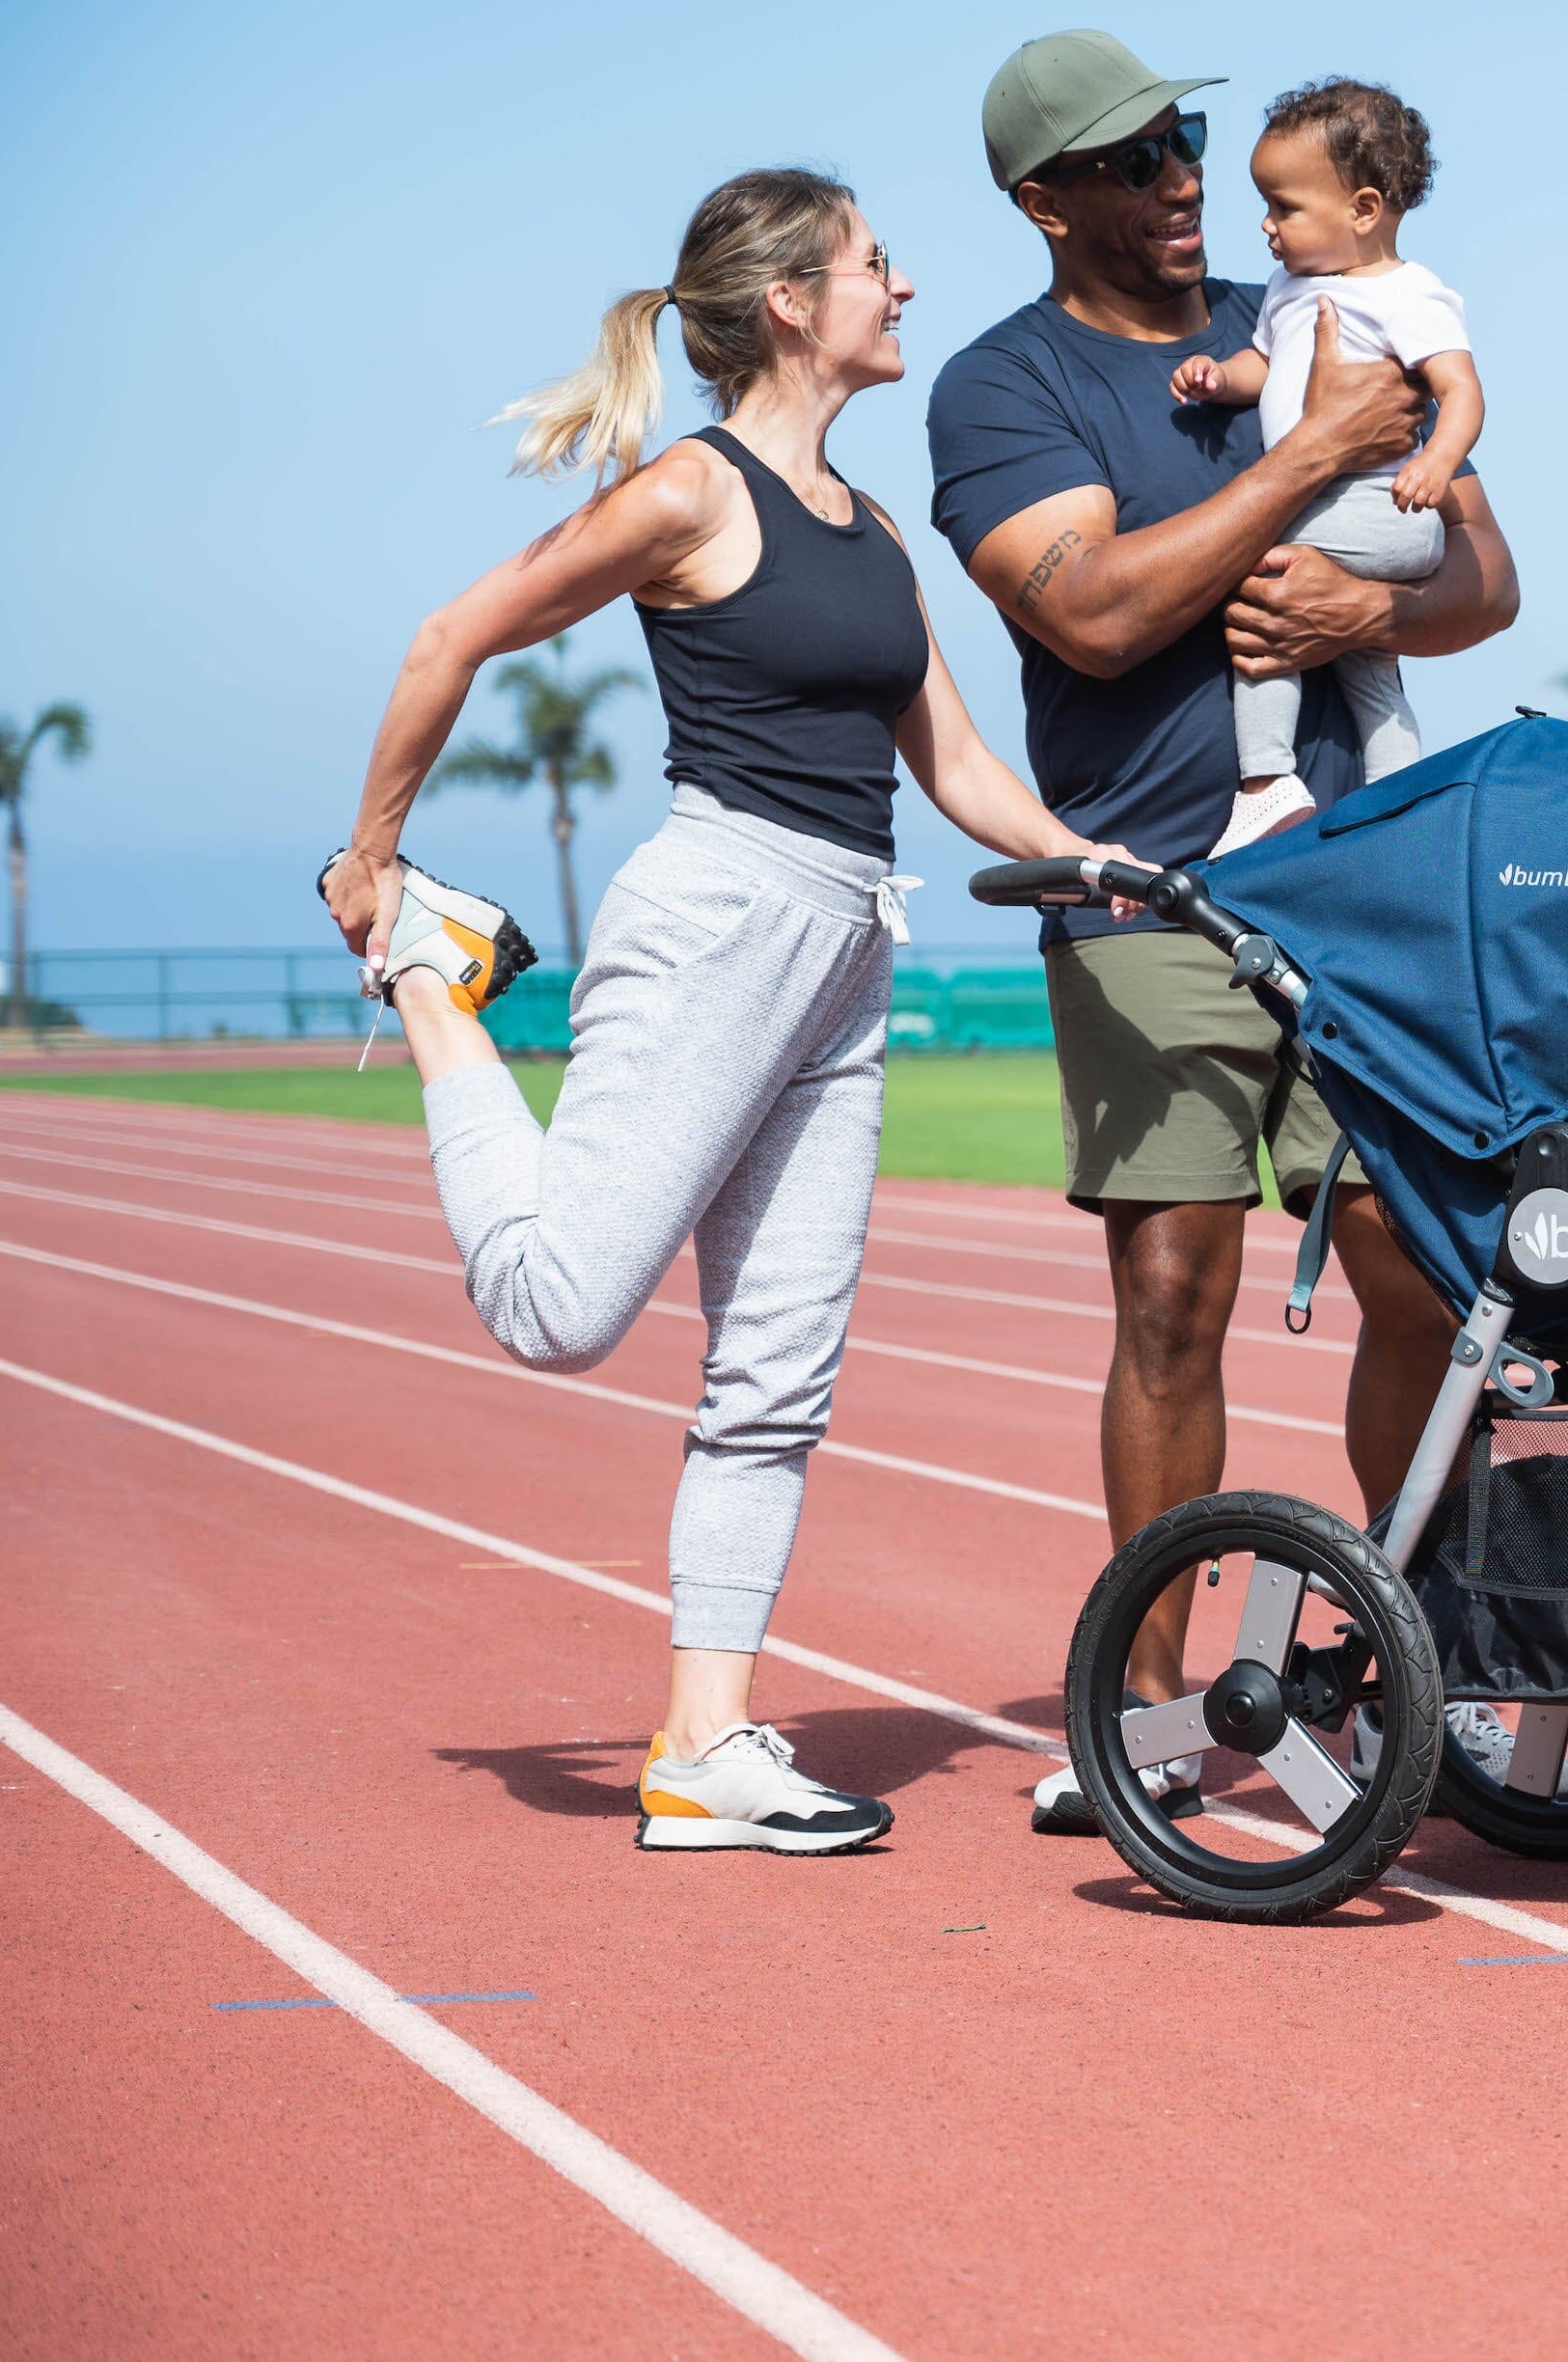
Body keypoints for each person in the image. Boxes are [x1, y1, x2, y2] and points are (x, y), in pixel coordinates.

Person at [319, 167, 1140, 1855]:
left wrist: (1087, 855)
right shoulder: (689, 494)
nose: (900, 287)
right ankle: (432, 980)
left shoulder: (872, 526)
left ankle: (704, 1750)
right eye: (873, 265)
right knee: (558, 1311)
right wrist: (374, 860)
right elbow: (452, 632)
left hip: (848, 939)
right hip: (716, 917)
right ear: (790, 301)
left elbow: (960, 764)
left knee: (778, 1375)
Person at [923, 31, 1555, 1832]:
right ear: (1047, 203)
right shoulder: (1002, 388)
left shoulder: (1332, 299)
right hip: (1150, 889)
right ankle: (1146, 1714)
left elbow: (1490, 579)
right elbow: (1100, 615)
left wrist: (1376, 592)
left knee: (1426, 1275)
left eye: (1188, 140)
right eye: (1134, 161)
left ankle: (1433, 1676)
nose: (1184, 178)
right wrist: (1312, 465)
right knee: (1173, 1295)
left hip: (1365, 882)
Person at [1168, 77, 1479, 852]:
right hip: (1355, 512)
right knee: (1370, 670)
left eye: (1285, 207)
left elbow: (1462, 391)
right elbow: (1261, 367)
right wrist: (1219, 379)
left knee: (1264, 577)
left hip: (1385, 504)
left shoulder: (1410, 294)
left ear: (1364, 210)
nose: (1267, 226)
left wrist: (1439, 461)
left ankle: (1266, 780)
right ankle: (1401, 800)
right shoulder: (1289, 288)